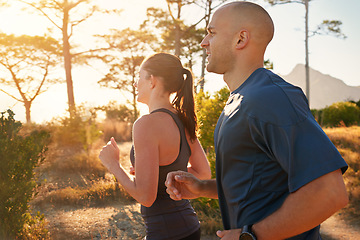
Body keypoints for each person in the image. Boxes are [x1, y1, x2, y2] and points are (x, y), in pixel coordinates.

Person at [165, 2, 349, 240]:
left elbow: (330, 193)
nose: (203, 42)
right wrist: (201, 187)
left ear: (240, 39)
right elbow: (257, 185)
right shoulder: (238, 100)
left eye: (211, 33)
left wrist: (249, 236)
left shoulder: (272, 97)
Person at [99, 52, 211, 240]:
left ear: (152, 81)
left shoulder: (146, 124)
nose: (136, 84)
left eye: (139, 78)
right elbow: (203, 174)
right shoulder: (182, 118)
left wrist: (113, 165)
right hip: (190, 227)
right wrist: (159, 177)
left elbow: (146, 197)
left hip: (166, 232)